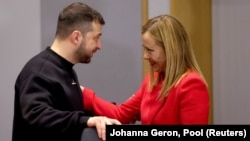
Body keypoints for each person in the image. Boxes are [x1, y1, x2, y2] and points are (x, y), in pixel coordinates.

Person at [12, 2, 120, 141]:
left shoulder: (64, 69)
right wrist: (84, 120)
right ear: (76, 37)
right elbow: (36, 114)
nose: (100, 46)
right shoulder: (39, 71)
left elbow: (65, 112)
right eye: (96, 38)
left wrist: (99, 117)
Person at [81, 14, 210, 125]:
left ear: (170, 50)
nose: (145, 56)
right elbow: (121, 114)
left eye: (150, 50)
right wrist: (83, 93)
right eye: (144, 49)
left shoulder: (191, 84)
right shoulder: (152, 79)